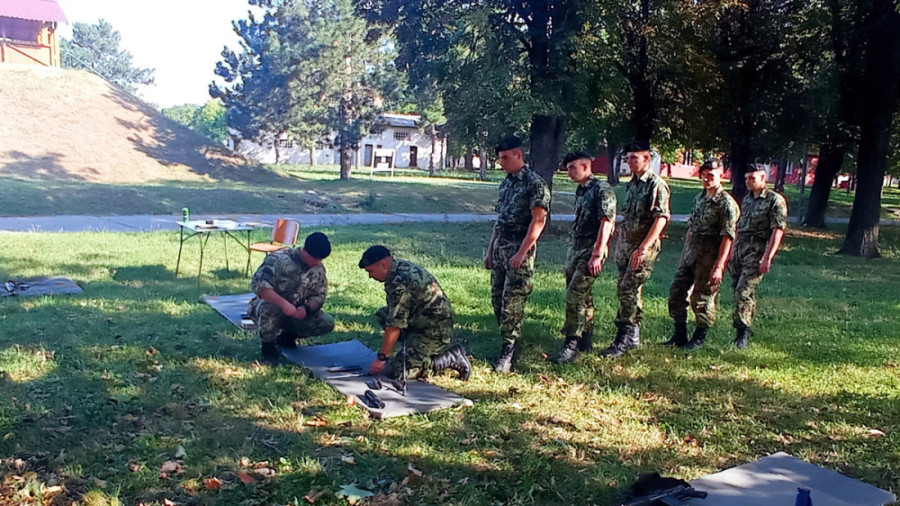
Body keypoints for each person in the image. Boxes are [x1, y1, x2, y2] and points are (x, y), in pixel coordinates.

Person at [484, 135, 551, 373]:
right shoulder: (507, 183)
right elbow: (500, 220)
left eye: (505, 158)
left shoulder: (535, 184)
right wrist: (491, 249)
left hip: (519, 248)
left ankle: (508, 351)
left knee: (512, 300)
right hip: (501, 246)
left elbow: (538, 221)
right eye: (499, 158)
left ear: (518, 155)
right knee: (497, 298)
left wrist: (522, 252)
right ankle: (508, 340)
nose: (501, 162)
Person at [601, 141, 671, 358]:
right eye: (628, 158)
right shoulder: (632, 184)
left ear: (646, 159)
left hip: (643, 247)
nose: (630, 162)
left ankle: (622, 339)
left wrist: (643, 248)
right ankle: (633, 338)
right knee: (628, 290)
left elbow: (661, 219)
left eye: (635, 158)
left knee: (627, 290)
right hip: (626, 246)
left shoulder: (655, 184)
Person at [359, 245, 471, 380]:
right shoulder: (399, 267)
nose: (370, 276)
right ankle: (413, 350)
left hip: (434, 329)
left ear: (383, 265)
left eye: (371, 271)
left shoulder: (400, 283)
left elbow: (394, 326)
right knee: (383, 314)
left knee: (398, 371)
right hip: (422, 319)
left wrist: (381, 358)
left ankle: (450, 357)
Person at [664, 158, 739, 350]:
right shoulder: (699, 198)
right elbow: (692, 228)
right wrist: (684, 255)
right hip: (691, 253)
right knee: (676, 292)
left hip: (710, 256)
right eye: (704, 175)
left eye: (711, 175)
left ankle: (699, 337)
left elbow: (727, 236)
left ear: (721, 176)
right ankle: (679, 334)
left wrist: (719, 266)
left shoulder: (726, 203)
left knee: (702, 297)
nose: (706, 179)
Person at [552, 151, 617, 363]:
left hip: (592, 249)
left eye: (573, 167)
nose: (569, 172)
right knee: (584, 295)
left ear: (586, 166)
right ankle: (586, 338)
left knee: (575, 295)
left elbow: (606, 222)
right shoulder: (581, 190)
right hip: (576, 247)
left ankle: (571, 345)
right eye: (568, 167)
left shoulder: (602, 189)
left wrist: (598, 253)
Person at [248, 232, 335, 365]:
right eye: (315, 258)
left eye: (321, 259)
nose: (318, 262)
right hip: (267, 307)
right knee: (271, 307)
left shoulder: (317, 268)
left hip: (295, 312)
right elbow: (262, 288)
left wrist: (306, 308)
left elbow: (319, 295)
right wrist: (284, 304)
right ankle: (268, 349)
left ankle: (286, 338)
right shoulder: (277, 260)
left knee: (326, 322)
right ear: (305, 250)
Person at [729, 164, 787, 348]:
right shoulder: (747, 199)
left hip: (757, 250)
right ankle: (746, 324)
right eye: (747, 178)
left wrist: (768, 257)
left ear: (764, 179)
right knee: (740, 289)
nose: (748, 182)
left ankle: (742, 333)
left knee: (743, 291)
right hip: (740, 249)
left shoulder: (774, 200)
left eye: (753, 178)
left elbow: (777, 230)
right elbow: (739, 226)